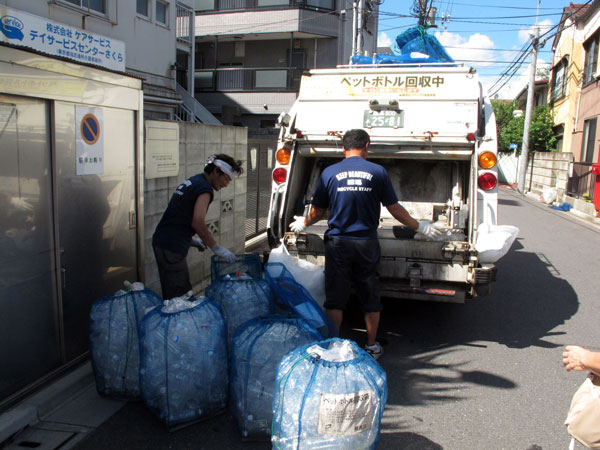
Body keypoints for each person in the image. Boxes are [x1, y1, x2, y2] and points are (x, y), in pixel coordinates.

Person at [290, 129, 442, 359]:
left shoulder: (330, 173)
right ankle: (371, 346)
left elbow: (319, 210)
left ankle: (332, 346)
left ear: (343, 148)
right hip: (366, 243)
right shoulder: (377, 172)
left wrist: (304, 222)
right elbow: (394, 208)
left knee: (335, 298)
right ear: (367, 146)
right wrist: (418, 226)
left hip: (338, 243)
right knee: (370, 295)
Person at [152, 154, 243, 300]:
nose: (226, 184)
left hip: (165, 240)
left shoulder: (195, 181)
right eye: (226, 178)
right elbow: (198, 222)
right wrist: (216, 248)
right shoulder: (204, 189)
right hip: (171, 246)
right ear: (216, 171)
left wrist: (190, 239)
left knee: (174, 292)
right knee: (181, 298)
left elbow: (179, 215)